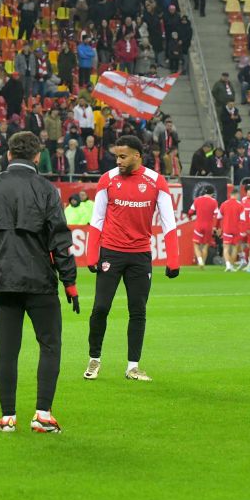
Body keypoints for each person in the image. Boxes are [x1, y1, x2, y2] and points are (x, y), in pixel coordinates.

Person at [0, 132, 78, 434]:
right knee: (50, 345)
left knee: (8, 349)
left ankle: (7, 417)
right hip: (40, 281)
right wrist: (70, 282)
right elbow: (60, 240)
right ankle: (42, 414)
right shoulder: (46, 189)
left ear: (8, 154)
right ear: (37, 155)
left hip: (2, 281)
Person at [83, 135, 179, 383]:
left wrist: (173, 259)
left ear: (138, 155)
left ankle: (133, 366)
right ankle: (94, 359)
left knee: (138, 310)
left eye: (123, 156)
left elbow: (169, 222)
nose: (118, 161)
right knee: (100, 308)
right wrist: (92, 254)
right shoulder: (108, 179)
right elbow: (97, 219)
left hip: (140, 256)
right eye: (116, 156)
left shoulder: (156, 181)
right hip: (111, 252)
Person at [187, 184, 220, 268]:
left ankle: (200, 261)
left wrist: (190, 217)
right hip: (209, 226)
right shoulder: (214, 202)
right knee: (205, 245)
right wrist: (215, 227)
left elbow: (190, 212)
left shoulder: (197, 200)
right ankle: (203, 263)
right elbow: (216, 215)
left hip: (199, 225)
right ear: (212, 193)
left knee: (196, 244)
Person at [218, 187, 245, 272]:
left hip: (227, 228)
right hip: (236, 229)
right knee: (234, 248)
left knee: (226, 248)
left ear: (230, 195)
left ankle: (228, 265)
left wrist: (219, 228)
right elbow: (243, 219)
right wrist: (242, 231)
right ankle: (232, 265)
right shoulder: (240, 205)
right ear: (237, 195)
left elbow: (219, 217)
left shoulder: (224, 204)